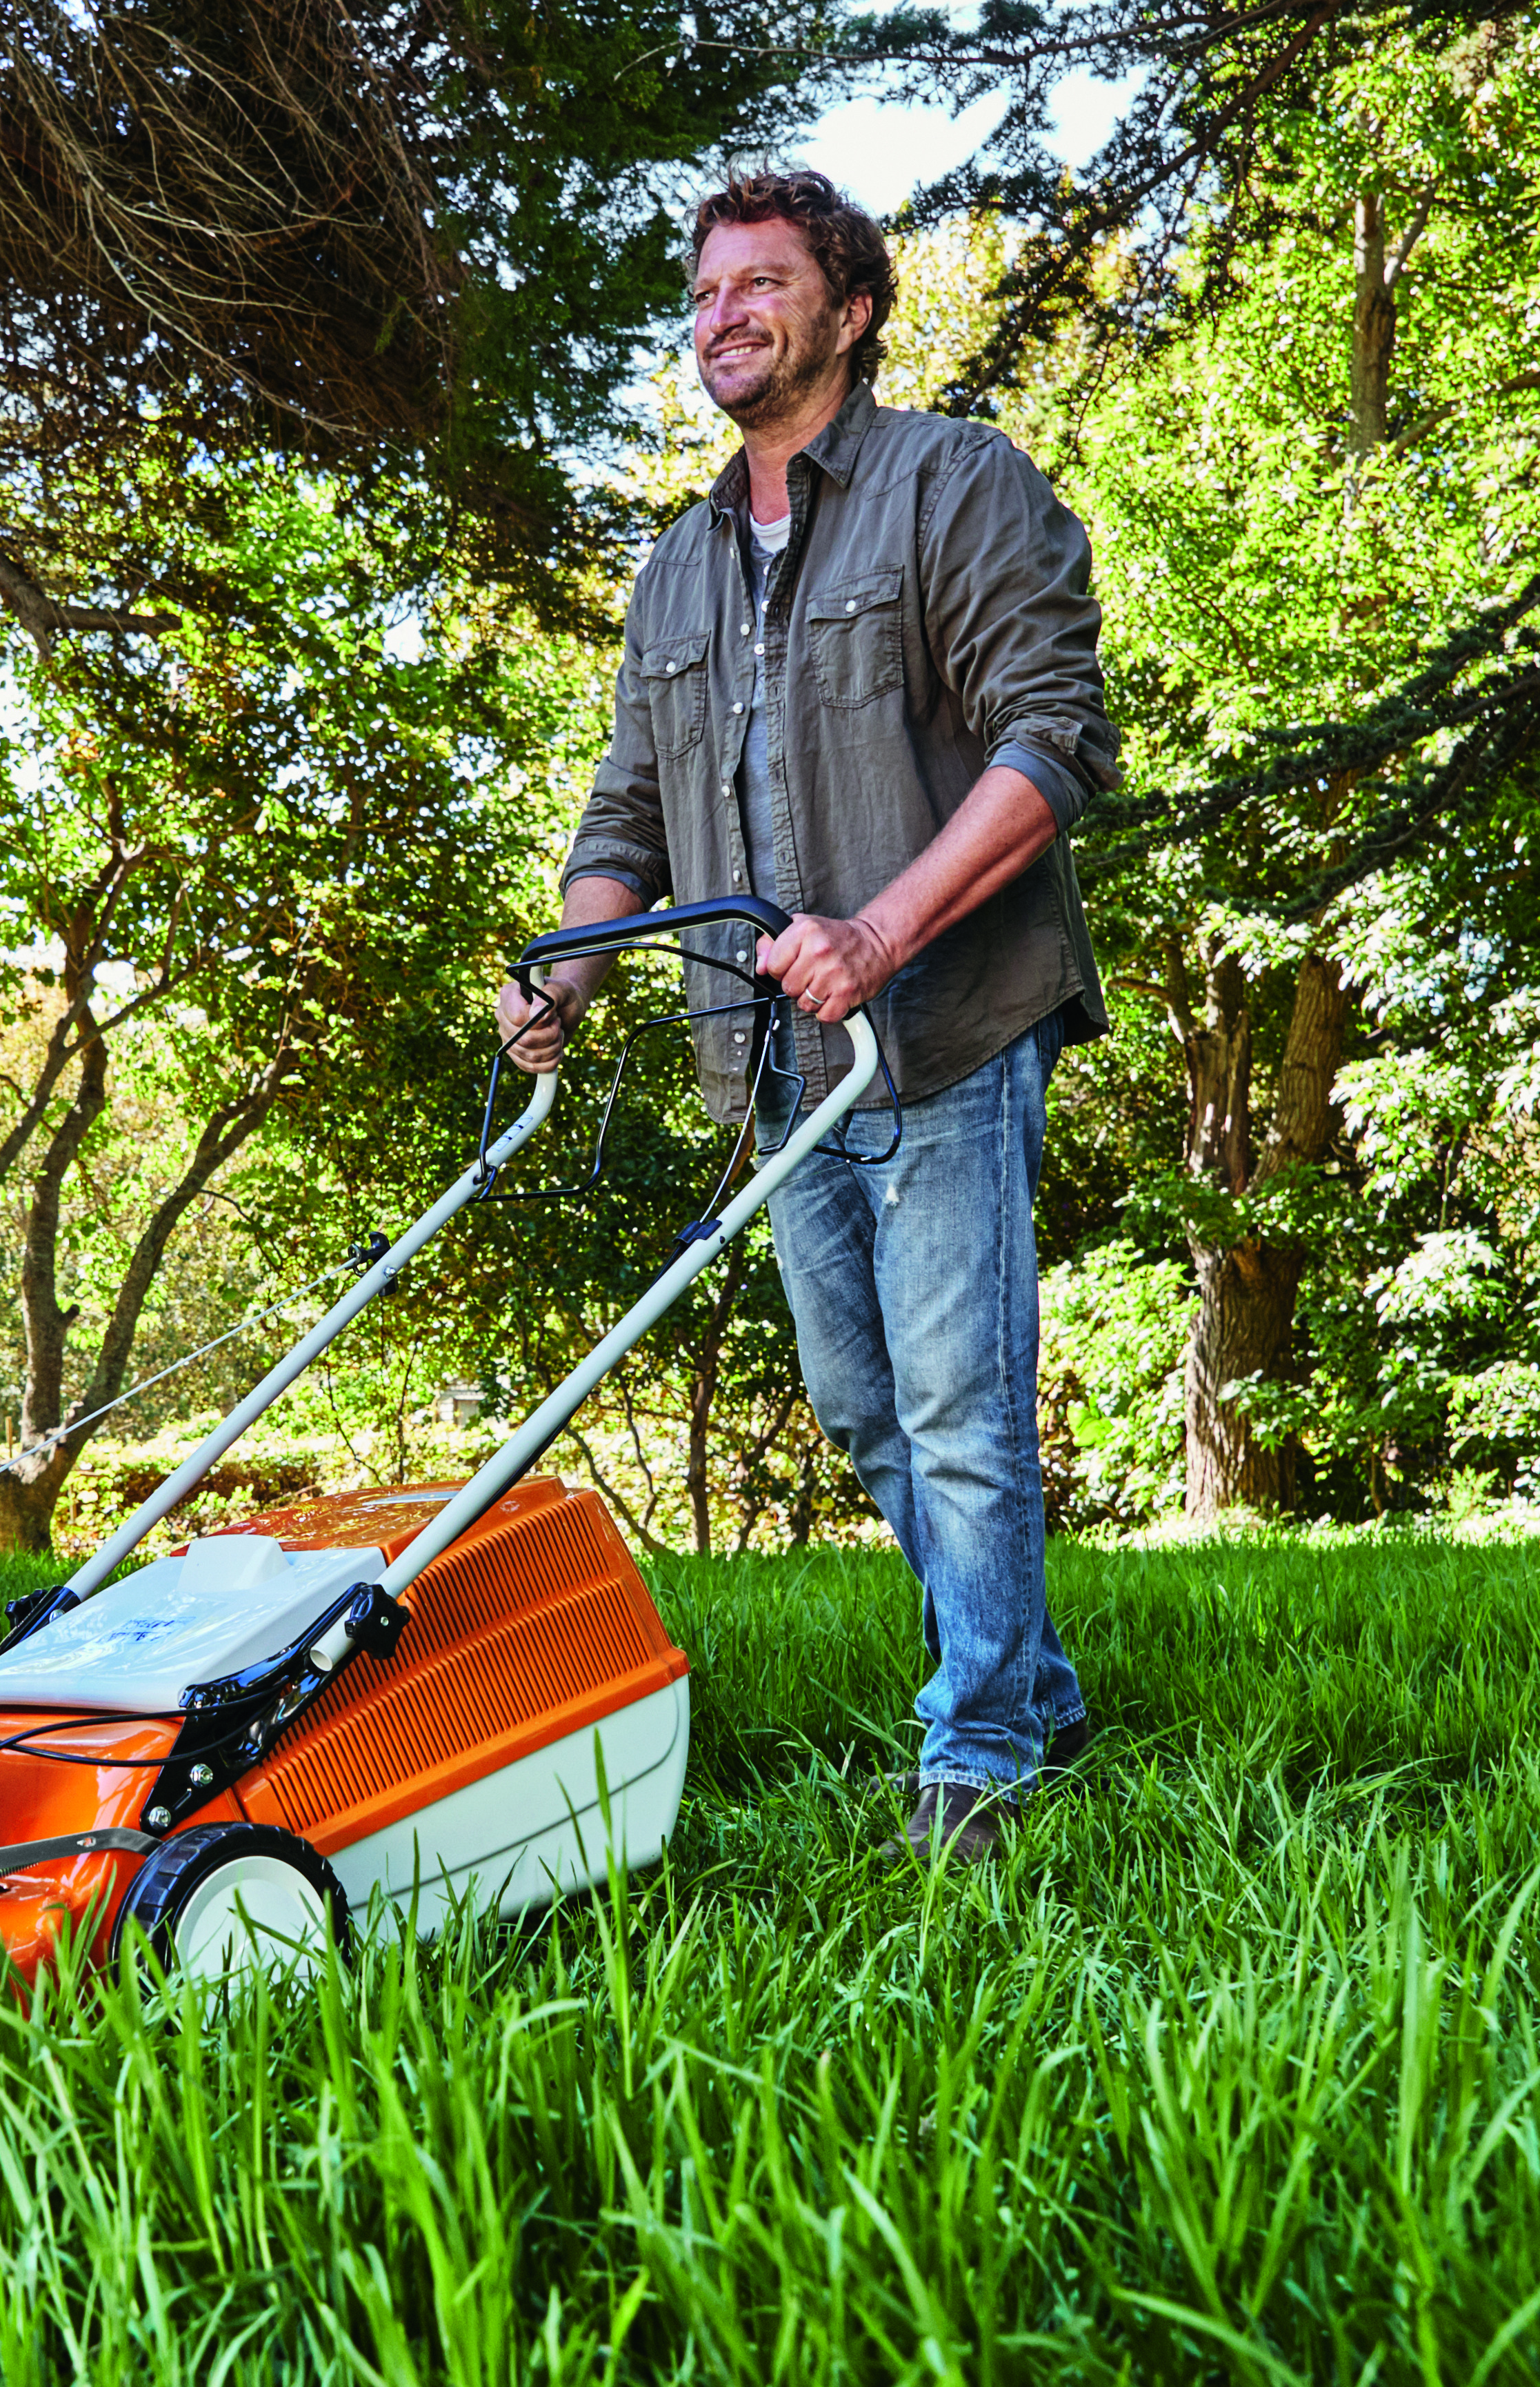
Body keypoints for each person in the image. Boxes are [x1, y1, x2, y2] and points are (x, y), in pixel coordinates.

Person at [494, 168, 1117, 1863]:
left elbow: (1053, 741)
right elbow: (624, 818)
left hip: (942, 1033)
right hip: (774, 1068)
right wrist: (570, 966)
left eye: (762, 285)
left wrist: (879, 930)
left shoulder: (952, 484)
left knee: (962, 1415)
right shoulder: (679, 568)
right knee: (862, 1411)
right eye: (705, 296)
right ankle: (1031, 1680)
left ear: (848, 311)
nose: (724, 317)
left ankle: (980, 1748)